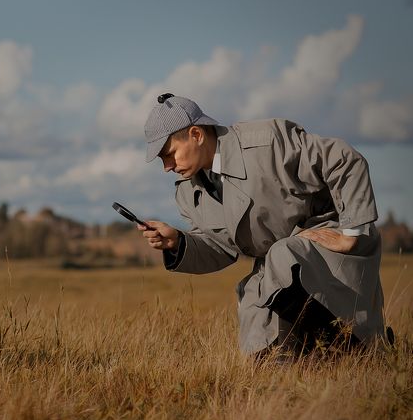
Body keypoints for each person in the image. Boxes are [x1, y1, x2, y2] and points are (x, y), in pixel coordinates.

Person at [137, 93, 388, 358]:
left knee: (282, 257)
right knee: (254, 311)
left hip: (329, 245)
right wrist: (178, 242)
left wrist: (351, 233)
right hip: (279, 266)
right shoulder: (187, 194)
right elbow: (222, 247)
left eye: (169, 154)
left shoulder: (267, 143)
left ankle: (357, 350)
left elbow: (344, 159)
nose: (166, 167)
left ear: (196, 134)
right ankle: (293, 371)